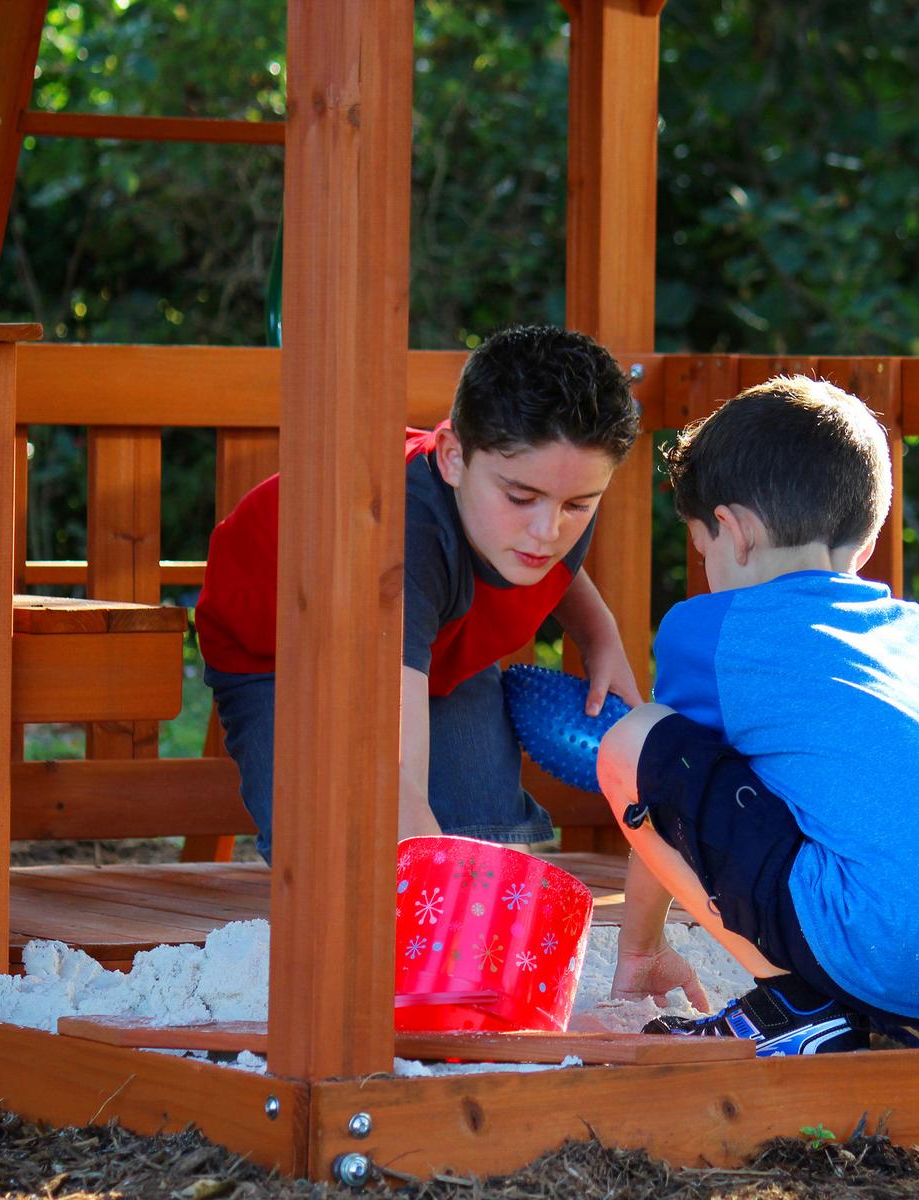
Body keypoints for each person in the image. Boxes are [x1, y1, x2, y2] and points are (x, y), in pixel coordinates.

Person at [596, 375, 919, 1055]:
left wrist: (640, 952)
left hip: (886, 946)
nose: (708, 569)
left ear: (735, 531)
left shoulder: (713, 630)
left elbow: (668, 787)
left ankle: (797, 996)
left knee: (631, 742)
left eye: (704, 550)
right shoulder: (915, 629)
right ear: (864, 545)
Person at [196, 325, 643, 861]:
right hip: (287, 651)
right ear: (453, 457)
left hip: (430, 642)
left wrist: (599, 635)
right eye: (521, 497)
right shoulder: (398, 539)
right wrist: (436, 886)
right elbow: (398, 777)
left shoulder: (552, 497)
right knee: (339, 850)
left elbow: (561, 564)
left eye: (578, 506)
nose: (548, 531)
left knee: (481, 827)